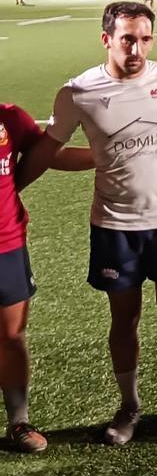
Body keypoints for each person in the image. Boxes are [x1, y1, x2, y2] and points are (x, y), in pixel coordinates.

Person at [19, 2, 157, 445]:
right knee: (124, 318)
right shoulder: (77, 93)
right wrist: (11, 187)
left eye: (145, 38)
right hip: (115, 225)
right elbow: (48, 149)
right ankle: (129, 406)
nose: (137, 48)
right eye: (128, 37)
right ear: (106, 38)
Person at [1, 104, 52, 452]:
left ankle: (18, 421)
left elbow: (48, 154)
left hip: (6, 243)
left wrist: (104, 154)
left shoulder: (11, 118)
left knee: (11, 336)